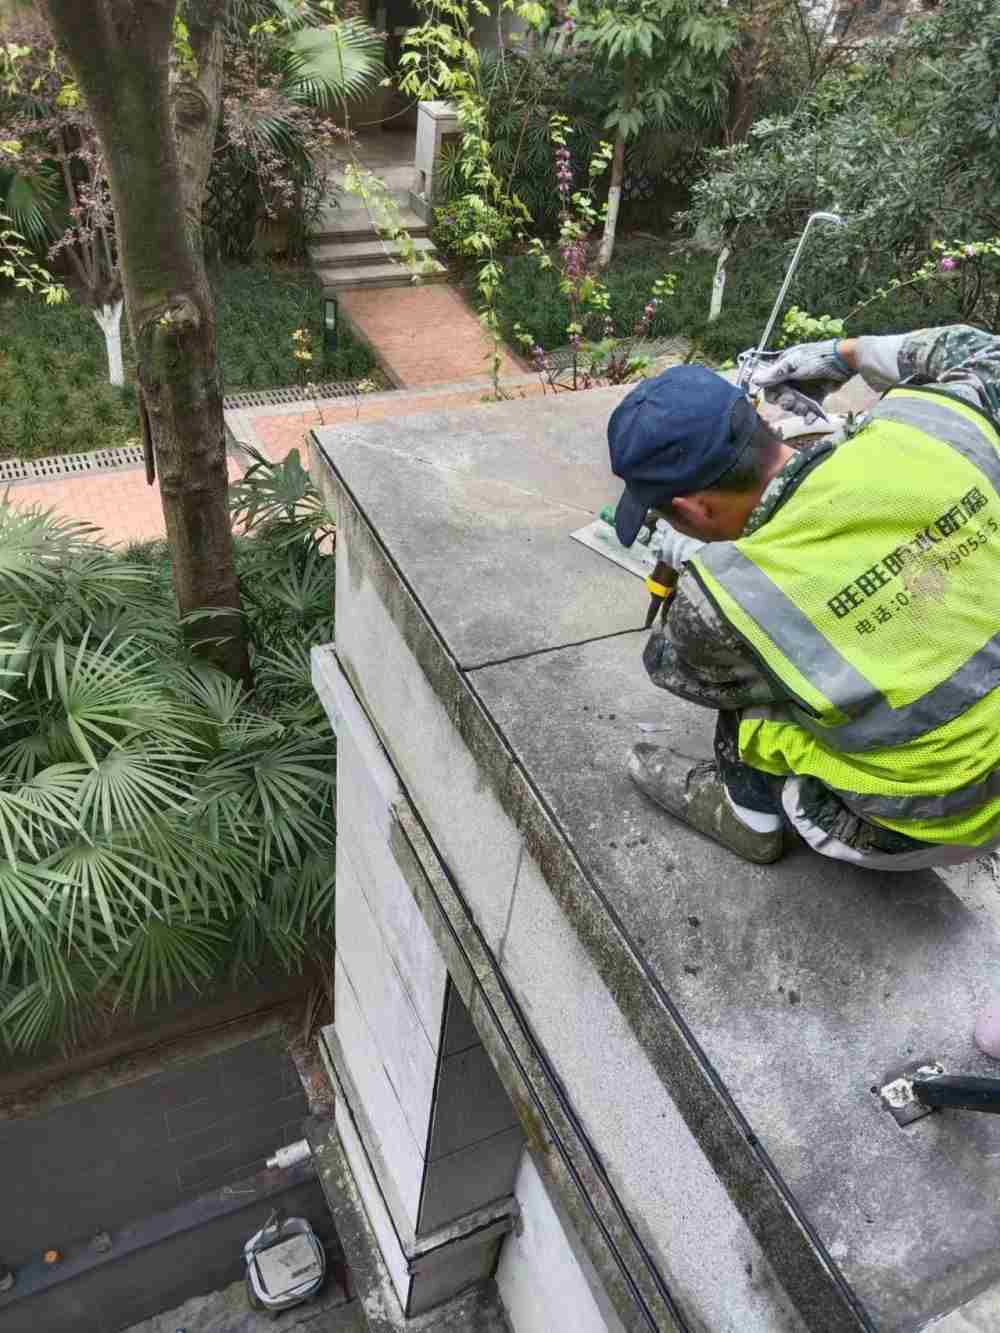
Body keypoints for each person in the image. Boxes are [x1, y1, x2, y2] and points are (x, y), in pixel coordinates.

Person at [609, 326, 1000, 868]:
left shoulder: (726, 597)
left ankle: (747, 819)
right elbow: (982, 352)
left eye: (663, 513)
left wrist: (704, 567)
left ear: (694, 510)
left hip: (926, 825)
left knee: (757, 679)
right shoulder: (932, 426)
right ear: (763, 424)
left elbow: (670, 665)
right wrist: (848, 354)